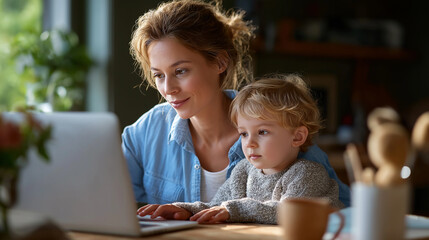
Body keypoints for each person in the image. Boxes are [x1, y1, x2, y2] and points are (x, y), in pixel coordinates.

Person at [123, 0, 350, 207]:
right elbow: (114, 207)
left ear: (220, 62)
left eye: (180, 71)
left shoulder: (279, 127)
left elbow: (347, 214)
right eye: (158, 75)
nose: (168, 88)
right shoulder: (144, 133)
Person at [136, 75, 344, 224]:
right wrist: (184, 209)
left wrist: (232, 209)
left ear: (297, 136)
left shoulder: (307, 173)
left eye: (262, 132)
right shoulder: (243, 171)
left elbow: (288, 213)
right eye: (243, 134)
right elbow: (218, 206)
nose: (249, 143)